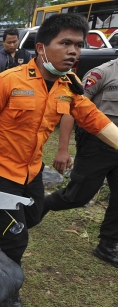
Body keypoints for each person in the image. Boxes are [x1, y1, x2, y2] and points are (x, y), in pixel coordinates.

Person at [0, 14, 118, 307]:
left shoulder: (68, 87)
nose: (74, 51)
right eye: (65, 43)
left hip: (32, 171)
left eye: (79, 44)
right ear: (42, 48)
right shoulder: (9, 81)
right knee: (17, 236)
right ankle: (8, 290)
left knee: (31, 217)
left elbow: (95, 120)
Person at [44, 58, 118, 267]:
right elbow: (71, 108)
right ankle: (42, 204)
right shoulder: (102, 73)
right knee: (77, 196)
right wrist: (63, 149)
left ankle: (107, 245)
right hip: (98, 145)